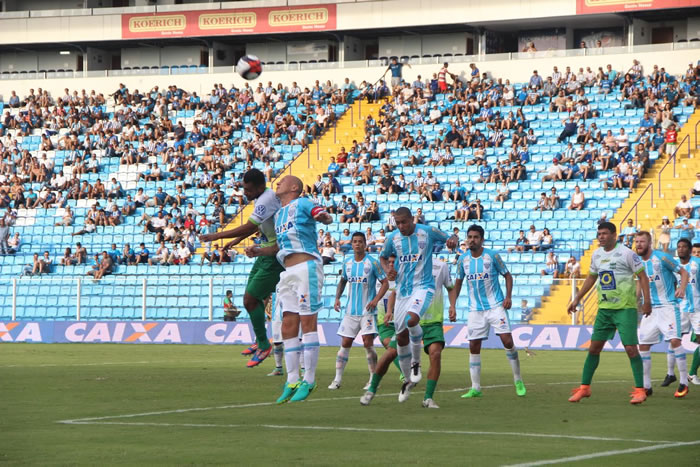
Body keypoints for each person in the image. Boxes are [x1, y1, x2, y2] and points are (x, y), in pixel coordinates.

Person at [245, 175, 332, 403]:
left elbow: (320, 214)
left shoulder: (302, 203)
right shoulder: (280, 214)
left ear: (294, 187)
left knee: (307, 321)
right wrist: (259, 251)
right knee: (288, 325)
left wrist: (323, 216)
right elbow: (279, 246)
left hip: (306, 267)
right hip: (287, 271)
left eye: (282, 181)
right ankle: (292, 379)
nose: (278, 183)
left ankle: (309, 379)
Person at [360, 207, 457, 405]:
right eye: (398, 223)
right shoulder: (393, 238)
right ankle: (407, 379)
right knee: (402, 336)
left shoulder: (427, 232)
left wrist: (453, 239)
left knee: (412, 319)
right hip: (403, 292)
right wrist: (388, 270)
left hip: (423, 287)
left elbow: (451, 237)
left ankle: (415, 364)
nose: (401, 226)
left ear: (412, 219)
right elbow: (383, 257)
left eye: (404, 222)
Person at [199, 169, 284, 368]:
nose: (244, 192)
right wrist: (236, 240)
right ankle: (260, 339)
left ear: (259, 186)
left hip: (274, 256)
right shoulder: (262, 198)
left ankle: (264, 345)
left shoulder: (265, 199)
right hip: (263, 252)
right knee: (253, 299)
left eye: (248, 189)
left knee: (250, 299)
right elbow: (256, 226)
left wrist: (217, 236)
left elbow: (248, 226)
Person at [567, 222, 651, 404]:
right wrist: (577, 298)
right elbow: (591, 278)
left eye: (604, 233)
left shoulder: (627, 253)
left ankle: (639, 390)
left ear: (614, 235)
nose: (601, 237)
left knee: (630, 349)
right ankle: (584, 388)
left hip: (625, 308)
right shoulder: (596, 255)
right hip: (604, 309)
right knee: (594, 348)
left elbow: (643, 276)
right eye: (599, 234)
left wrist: (647, 301)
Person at [451, 225, 525, 398]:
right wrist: (453, 306)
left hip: (495, 306)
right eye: (469, 237)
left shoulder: (492, 256)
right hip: (475, 309)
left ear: (482, 239)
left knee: (507, 340)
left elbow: (507, 275)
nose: (472, 240)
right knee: (473, 345)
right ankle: (475, 387)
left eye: (476, 237)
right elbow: (458, 283)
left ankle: (518, 379)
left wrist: (508, 296)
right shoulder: (463, 260)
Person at [328, 232, 389, 390]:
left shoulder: (372, 263)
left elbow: (385, 283)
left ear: (365, 244)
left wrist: (375, 300)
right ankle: (337, 379)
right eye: (354, 241)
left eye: (360, 242)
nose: (357, 244)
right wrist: (337, 298)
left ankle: (372, 379)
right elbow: (342, 281)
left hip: (367, 311)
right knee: (345, 343)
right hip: (350, 311)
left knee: (367, 343)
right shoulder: (347, 262)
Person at [635, 231, 689, 398]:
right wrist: (635, 300)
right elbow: (639, 282)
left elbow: (683, 273)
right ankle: (646, 386)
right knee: (643, 346)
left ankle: (684, 383)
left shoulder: (662, 258)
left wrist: (681, 288)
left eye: (642, 242)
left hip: (668, 307)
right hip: (649, 310)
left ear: (649, 243)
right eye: (636, 242)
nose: (638, 244)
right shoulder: (637, 262)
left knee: (675, 340)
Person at [417, 257, 456, 409]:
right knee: (394, 351)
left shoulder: (441, 266)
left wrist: (452, 306)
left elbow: (450, 287)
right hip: (411, 318)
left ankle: (428, 398)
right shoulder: (408, 263)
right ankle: (372, 388)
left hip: (433, 320)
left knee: (435, 354)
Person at [672, 239, 700, 386]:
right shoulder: (673, 264)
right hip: (680, 307)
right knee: (674, 339)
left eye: (684, 247)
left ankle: (691, 373)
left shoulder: (697, 263)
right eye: (679, 247)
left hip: (697, 308)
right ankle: (671, 373)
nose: (681, 249)